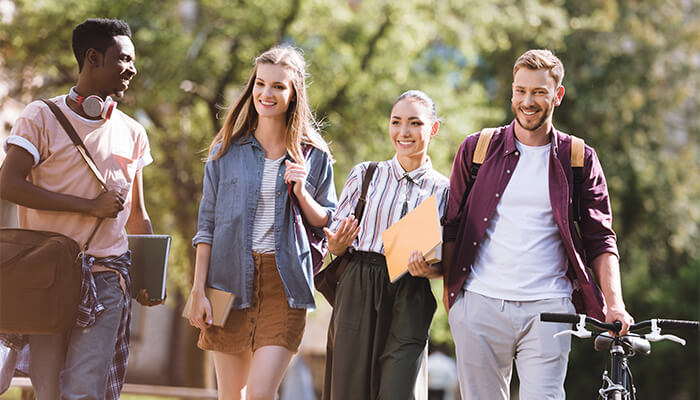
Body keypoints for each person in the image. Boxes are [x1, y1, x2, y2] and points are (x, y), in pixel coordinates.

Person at [441, 49, 635, 400]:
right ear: (512, 91)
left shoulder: (579, 158)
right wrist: (453, 300)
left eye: (539, 92)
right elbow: (450, 226)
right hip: (480, 306)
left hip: (550, 310)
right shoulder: (476, 149)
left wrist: (615, 303)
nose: (527, 101)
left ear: (557, 95)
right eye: (520, 91)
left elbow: (601, 239)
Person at [0, 18, 158, 399]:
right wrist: (89, 207)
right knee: (49, 387)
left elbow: (136, 213)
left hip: (107, 274)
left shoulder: (133, 132)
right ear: (93, 58)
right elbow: (8, 182)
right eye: (124, 60)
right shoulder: (40, 117)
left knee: (86, 389)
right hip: (47, 273)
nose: (132, 69)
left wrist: (151, 273)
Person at [185, 45, 336, 400]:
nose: (266, 94)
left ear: (294, 92)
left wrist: (301, 192)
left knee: (259, 395)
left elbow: (327, 221)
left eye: (278, 86)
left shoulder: (314, 155)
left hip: (284, 287)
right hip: (226, 282)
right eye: (260, 84)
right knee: (230, 396)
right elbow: (206, 226)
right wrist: (197, 291)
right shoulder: (226, 150)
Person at [322, 90, 449, 400]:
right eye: (396, 122)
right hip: (358, 286)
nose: (403, 132)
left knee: (398, 391)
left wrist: (429, 270)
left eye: (415, 123)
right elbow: (336, 242)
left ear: (432, 129)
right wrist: (336, 246)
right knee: (348, 390)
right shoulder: (365, 175)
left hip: (410, 290)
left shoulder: (446, 190)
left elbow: (447, 262)